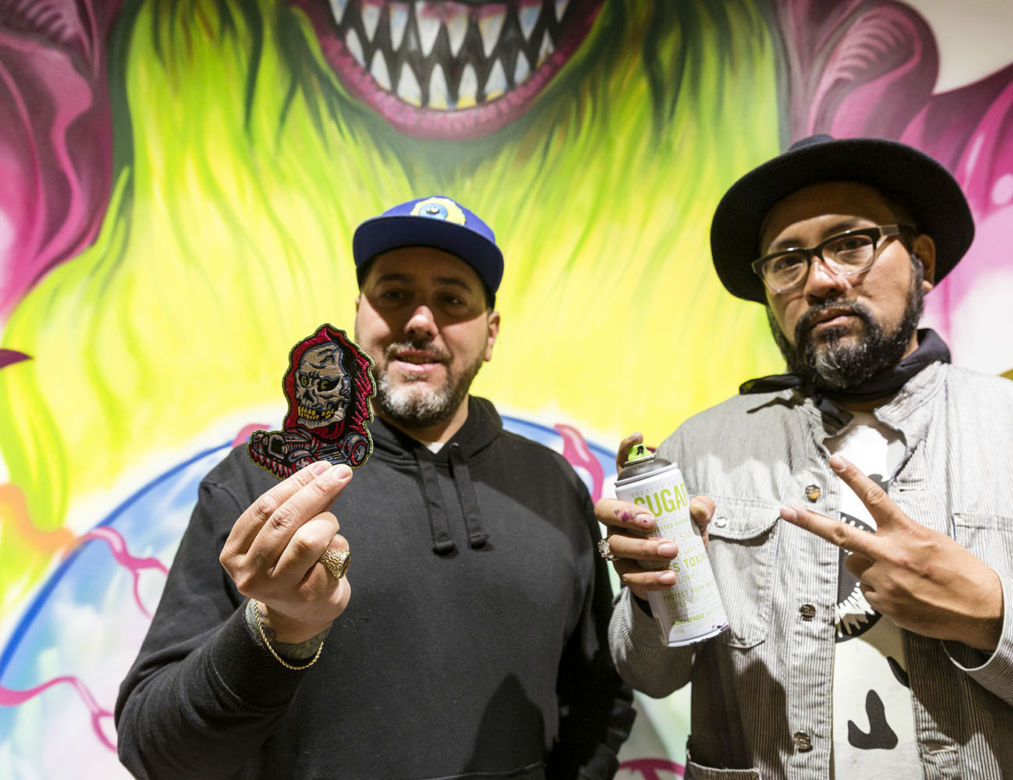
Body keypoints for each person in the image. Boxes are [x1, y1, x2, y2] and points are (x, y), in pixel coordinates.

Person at [597, 135, 1013, 778]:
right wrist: (652, 598)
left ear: (921, 260)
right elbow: (647, 674)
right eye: (787, 261)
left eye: (851, 244)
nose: (820, 280)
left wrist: (994, 615)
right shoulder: (701, 451)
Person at [116, 195, 634, 778]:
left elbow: (602, 691)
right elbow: (153, 750)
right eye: (393, 294)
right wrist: (276, 633)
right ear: (358, 315)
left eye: (451, 299)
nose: (420, 321)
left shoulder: (553, 485)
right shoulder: (264, 487)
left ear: (490, 334)